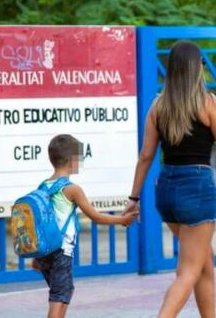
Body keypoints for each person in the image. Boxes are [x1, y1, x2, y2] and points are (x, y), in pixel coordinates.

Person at [123, 41, 216, 318]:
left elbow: (145, 156)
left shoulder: (158, 105)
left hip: (166, 189)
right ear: (195, 69)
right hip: (196, 188)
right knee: (188, 270)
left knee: (205, 260)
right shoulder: (208, 102)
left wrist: (134, 198)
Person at [32, 134, 138, 318]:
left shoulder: (42, 186)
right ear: (72, 160)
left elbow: (40, 222)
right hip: (60, 252)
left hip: (45, 253)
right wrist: (122, 220)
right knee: (59, 297)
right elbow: (95, 216)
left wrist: (36, 255)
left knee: (64, 292)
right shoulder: (71, 189)